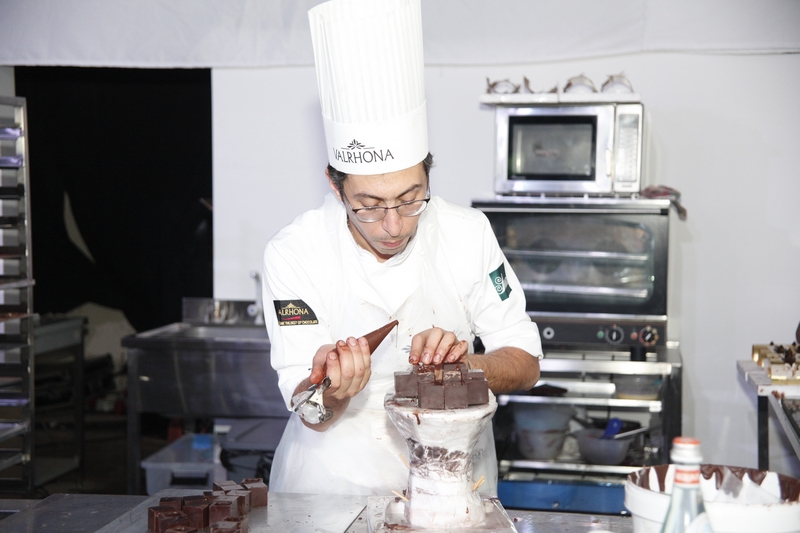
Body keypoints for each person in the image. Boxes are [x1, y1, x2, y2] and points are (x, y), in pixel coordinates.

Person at [262, 0, 542, 497]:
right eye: (367, 205)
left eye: (411, 199)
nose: (393, 225)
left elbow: (526, 362)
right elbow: (312, 412)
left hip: (454, 485)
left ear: (428, 173)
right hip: (330, 489)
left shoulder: (467, 233)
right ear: (335, 185)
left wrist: (464, 367)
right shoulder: (294, 252)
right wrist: (333, 389)